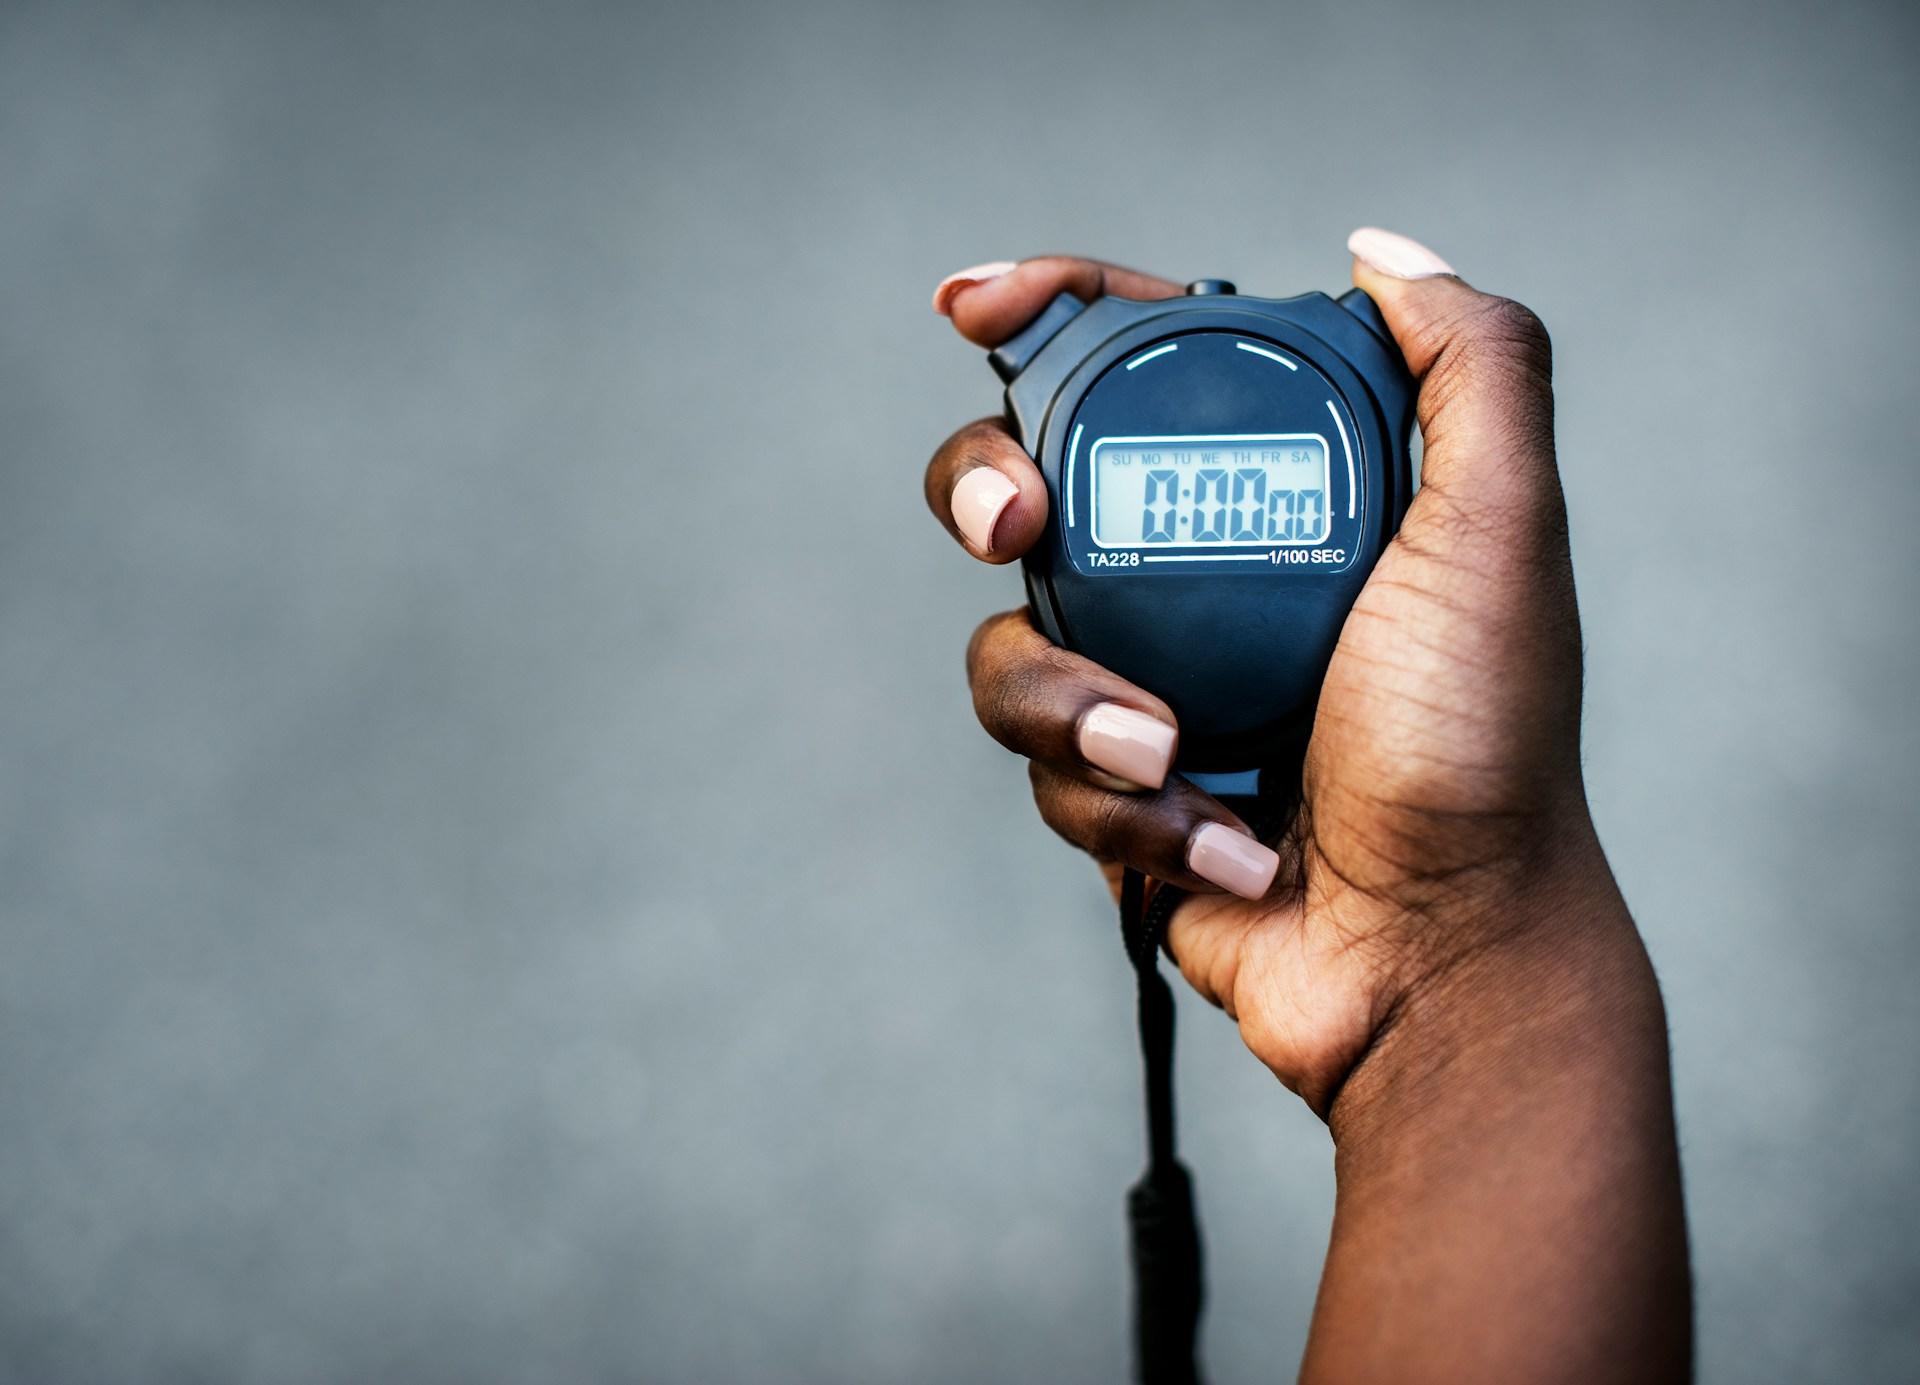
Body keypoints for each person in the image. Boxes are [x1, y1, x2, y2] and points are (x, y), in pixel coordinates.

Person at [923, 229, 1693, 1384]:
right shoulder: (1345, 357)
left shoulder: (1075, 364)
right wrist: (1454, 969)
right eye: (1180, 495)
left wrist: (1447, 952)